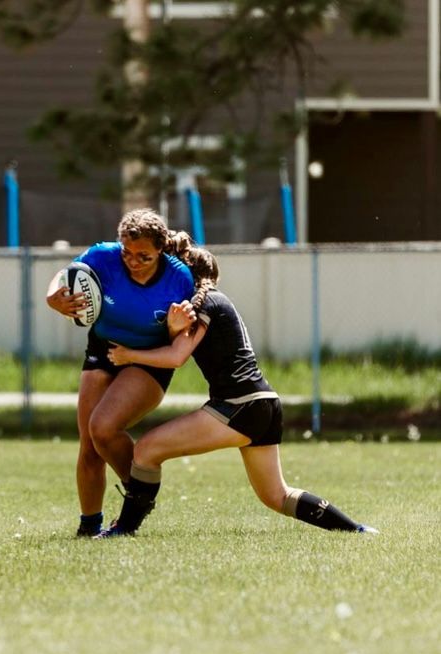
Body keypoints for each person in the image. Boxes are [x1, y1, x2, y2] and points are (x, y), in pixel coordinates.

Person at [100, 242, 378, 537]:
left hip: (238, 404)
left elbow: (175, 357)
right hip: (265, 403)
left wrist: (128, 355)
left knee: (146, 449)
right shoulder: (216, 300)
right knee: (277, 496)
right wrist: (171, 329)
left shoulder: (203, 303)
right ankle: (355, 529)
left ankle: (123, 529)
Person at [46, 209, 196, 537]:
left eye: (144, 256)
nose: (133, 261)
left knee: (103, 427)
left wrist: (172, 329)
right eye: (127, 252)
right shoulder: (103, 256)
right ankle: (89, 527)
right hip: (103, 348)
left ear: (160, 250)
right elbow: (67, 273)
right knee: (89, 443)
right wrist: (53, 297)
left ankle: (140, 493)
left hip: (148, 360)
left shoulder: (179, 277)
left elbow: (181, 342)